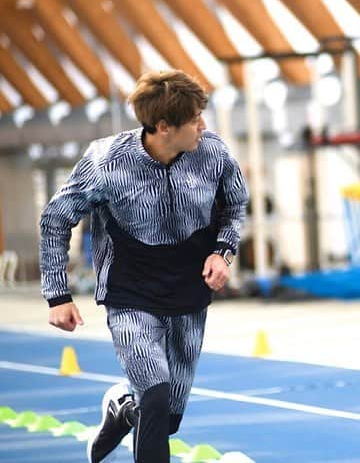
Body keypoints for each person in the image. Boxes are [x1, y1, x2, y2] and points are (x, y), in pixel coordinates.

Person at [40, 70, 248, 463]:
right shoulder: (107, 162)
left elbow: (235, 205)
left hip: (189, 294)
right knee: (154, 396)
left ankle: (123, 407)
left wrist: (223, 252)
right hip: (130, 294)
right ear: (164, 127)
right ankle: (137, 402)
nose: (203, 125)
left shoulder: (214, 154)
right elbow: (55, 218)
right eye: (194, 120)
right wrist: (57, 294)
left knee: (166, 419)